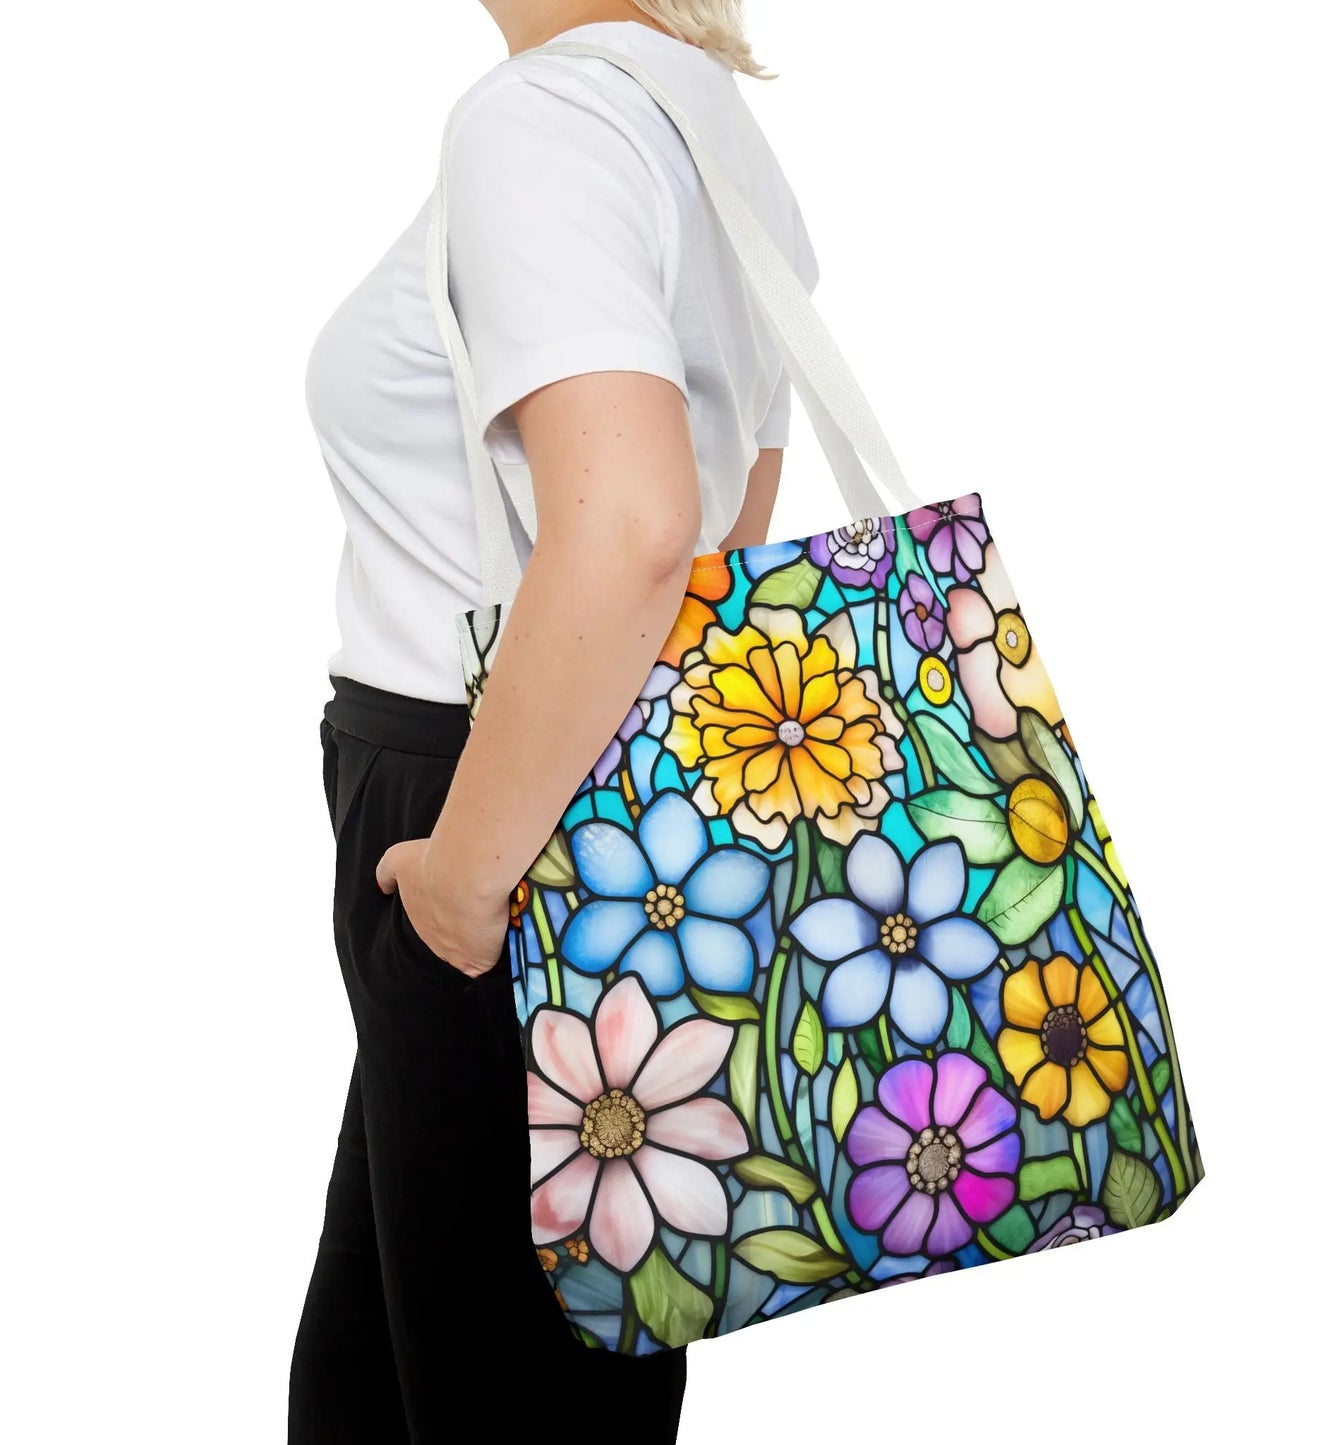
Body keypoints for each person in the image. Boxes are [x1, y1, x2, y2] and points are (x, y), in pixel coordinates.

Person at [288, 3, 817, 1440]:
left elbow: (641, 528)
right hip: (600, 791)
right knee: (416, 1376)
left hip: (487, 811)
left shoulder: (541, 125)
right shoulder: (702, 126)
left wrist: (461, 886)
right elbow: (726, 537)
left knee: (483, 1394)